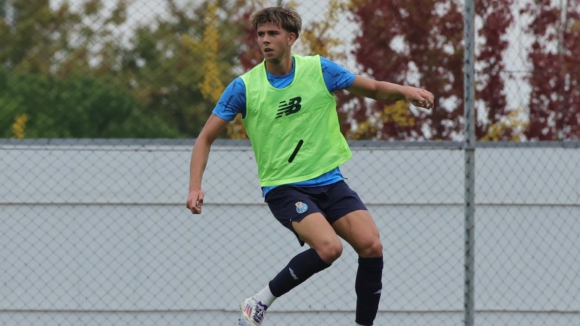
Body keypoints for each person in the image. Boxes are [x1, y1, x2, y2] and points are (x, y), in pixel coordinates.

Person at [186, 5, 434, 326]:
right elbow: (205, 138)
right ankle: (258, 301)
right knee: (329, 248)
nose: (265, 40)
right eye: (260, 34)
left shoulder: (319, 70)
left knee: (371, 245)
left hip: (330, 181)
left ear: (291, 38)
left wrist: (404, 92)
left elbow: (370, 88)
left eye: (273, 34)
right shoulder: (244, 87)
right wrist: (195, 186)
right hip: (284, 186)